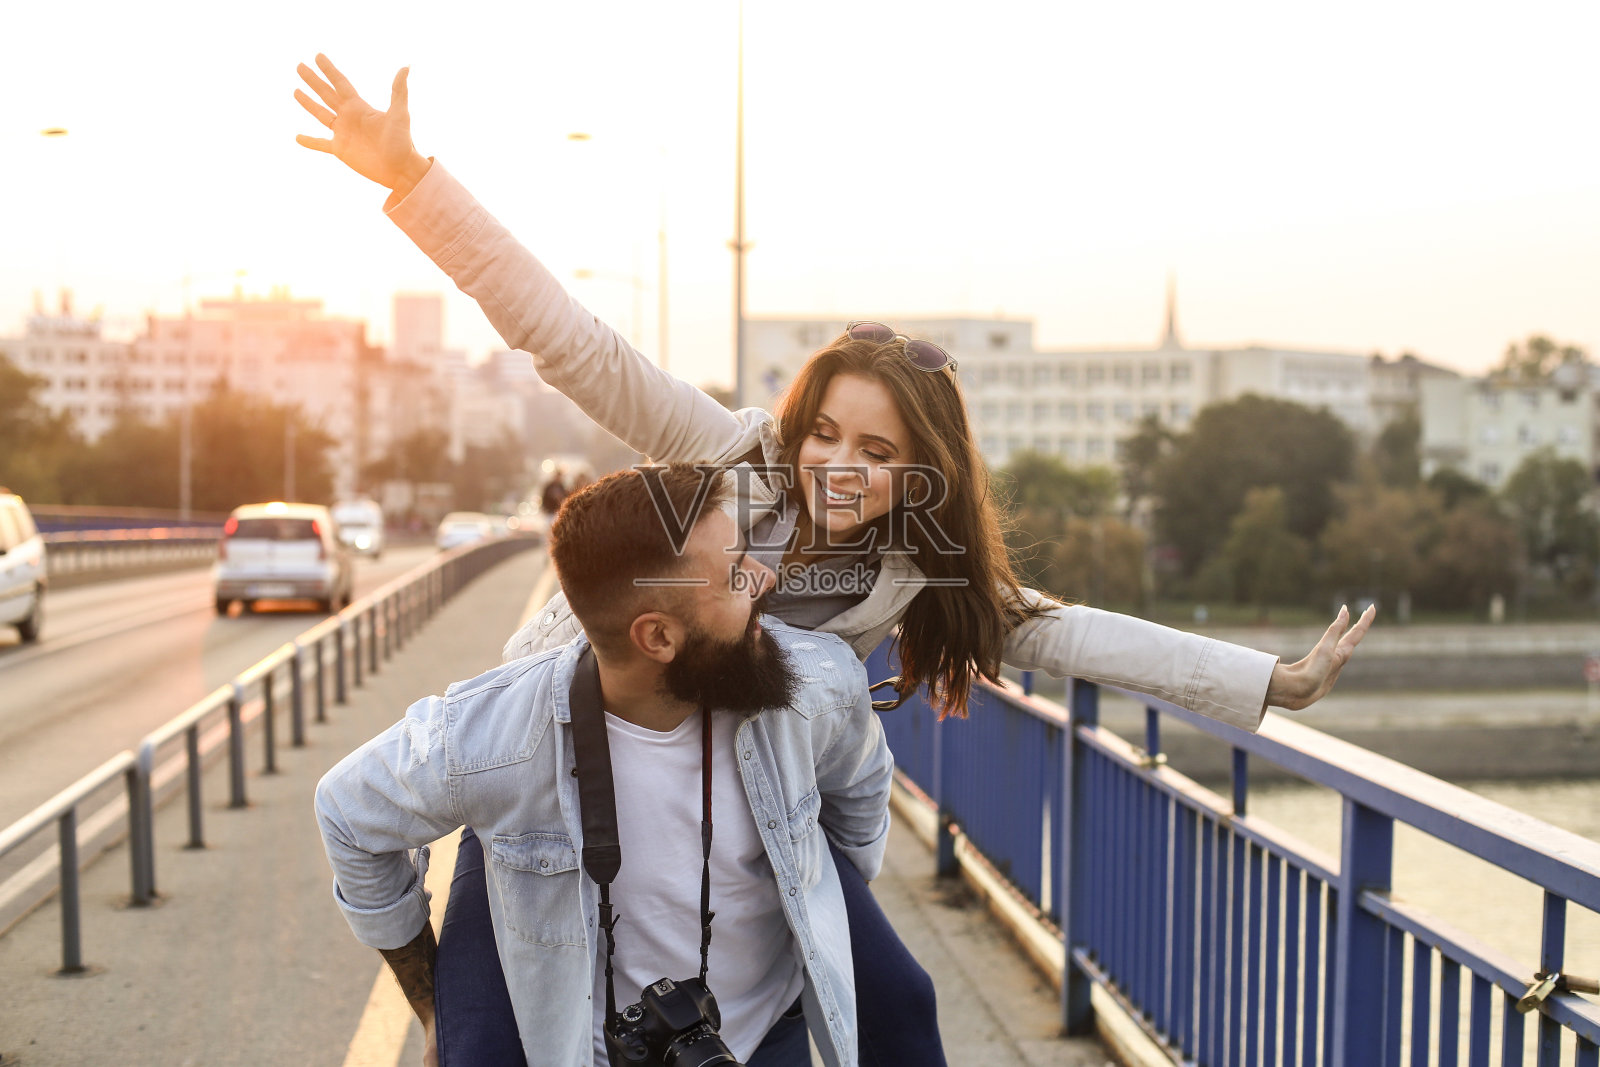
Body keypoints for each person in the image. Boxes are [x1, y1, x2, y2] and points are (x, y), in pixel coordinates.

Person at [294, 54, 1375, 1066]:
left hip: (747, 791)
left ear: (917, 473)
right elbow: (571, 341)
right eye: (825, 433)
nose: (834, 466)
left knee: (895, 1006)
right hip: (579, 756)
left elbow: (1066, 630)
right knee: (490, 1037)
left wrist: (1266, 681)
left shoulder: (916, 570)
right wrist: (413, 184)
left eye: (875, 450)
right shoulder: (727, 456)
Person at [316, 464, 893, 1067]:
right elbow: (346, 813)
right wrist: (434, 1006)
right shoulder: (497, 737)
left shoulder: (817, 684)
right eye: (734, 576)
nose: (764, 577)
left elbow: (860, 805)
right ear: (659, 638)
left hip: (772, 1033)